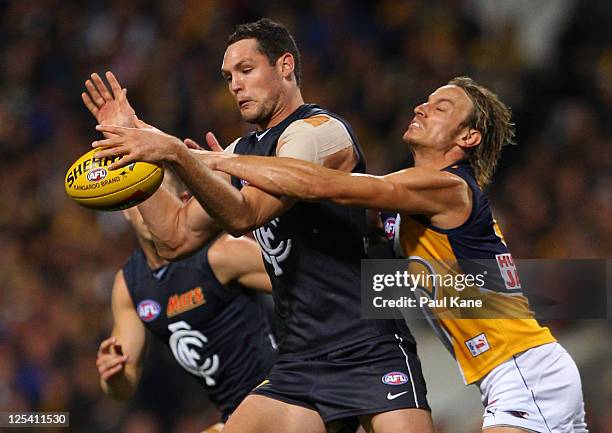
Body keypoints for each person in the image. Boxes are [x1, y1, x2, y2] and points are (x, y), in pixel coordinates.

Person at [179, 76, 589, 433]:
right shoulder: (416, 202)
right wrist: (222, 183)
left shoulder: (445, 187)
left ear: (468, 137)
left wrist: (226, 161)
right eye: (426, 100)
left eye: (441, 106)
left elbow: (322, 186)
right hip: (520, 372)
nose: (421, 107)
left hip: (523, 371)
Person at [89, 18, 434, 433]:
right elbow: (175, 238)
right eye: (228, 76)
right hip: (300, 359)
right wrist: (136, 153)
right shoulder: (243, 152)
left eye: (246, 70)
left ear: (285, 66)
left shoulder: (318, 132)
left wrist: (180, 155)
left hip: (368, 346)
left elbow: (244, 214)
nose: (234, 84)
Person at [95, 171, 277, 433]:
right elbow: (124, 387)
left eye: (157, 197)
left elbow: (313, 284)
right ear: (126, 209)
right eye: (140, 198)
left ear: (183, 202)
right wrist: (113, 376)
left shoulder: (222, 253)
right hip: (233, 413)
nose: (149, 210)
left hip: (281, 394)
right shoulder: (129, 285)